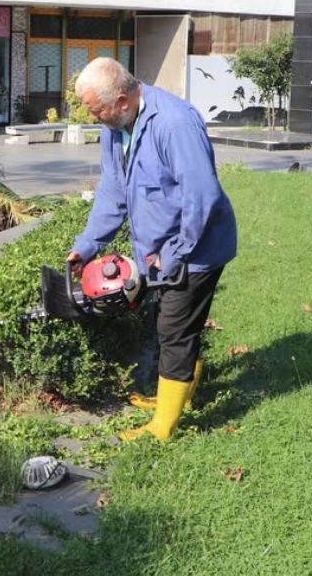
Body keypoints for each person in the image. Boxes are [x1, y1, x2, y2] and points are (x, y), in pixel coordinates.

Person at [67, 57, 238, 442]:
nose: (96, 119)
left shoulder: (175, 124)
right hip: (158, 251)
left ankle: (163, 428)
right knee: (172, 324)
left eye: (98, 111)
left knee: (174, 330)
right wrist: (88, 246)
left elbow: (202, 197)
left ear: (123, 101)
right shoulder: (117, 127)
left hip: (196, 249)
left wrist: (174, 254)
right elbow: (113, 190)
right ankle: (174, 398)